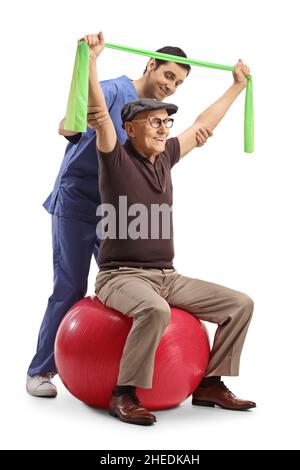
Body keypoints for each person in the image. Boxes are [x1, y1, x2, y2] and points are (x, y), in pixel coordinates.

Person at [89, 33, 256, 425]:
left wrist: (236, 87)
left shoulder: (166, 159)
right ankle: (124, 393)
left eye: (167, 122)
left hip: (167, 275)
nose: (164, 129)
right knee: (154, 310)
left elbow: (202, 125)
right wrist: (92, 62)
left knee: (239, 304)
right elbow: (99, 116)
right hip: (119, 277)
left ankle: (210, 384)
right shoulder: (115, 160)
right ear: (130, 128)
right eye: (155, 122)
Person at [26, 33, 196, 397]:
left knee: (123, 284)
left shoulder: (153, 117)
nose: (171, 87)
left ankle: (116, 368)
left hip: (115, 212)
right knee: (71, 286)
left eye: (179, 83)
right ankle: (41, 370)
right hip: (77, 202)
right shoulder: (115, 90)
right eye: (168, 76)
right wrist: (89, 58)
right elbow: (67, 126)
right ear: (150, 64)